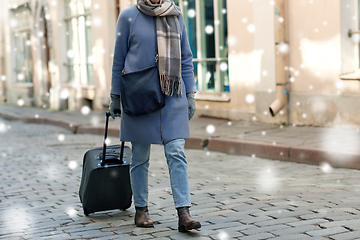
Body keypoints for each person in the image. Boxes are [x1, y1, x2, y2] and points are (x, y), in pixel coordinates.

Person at [109, 0, 201, 232]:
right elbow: (118, 59)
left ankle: (184, 212)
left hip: (171, 94)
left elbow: (186, 58)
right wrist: (115, 97)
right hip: (139, 95)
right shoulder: (128, 16)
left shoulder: (175, 15)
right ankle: (141, 210)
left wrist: (190, 93)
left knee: (176, 151)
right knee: (139, 156)